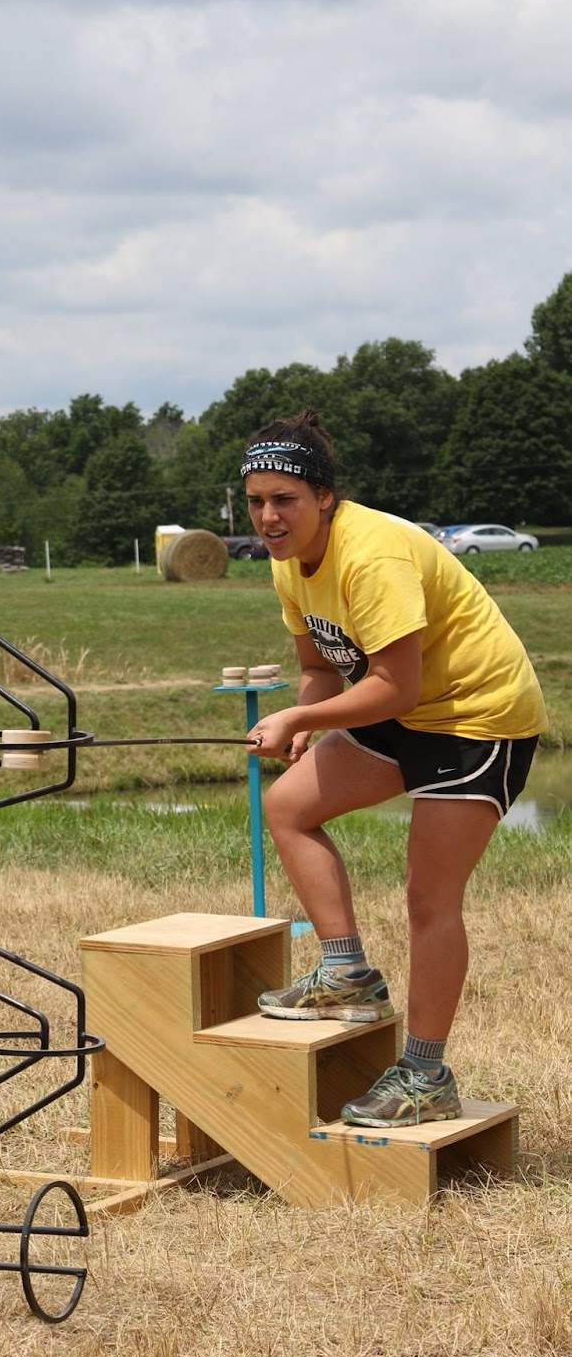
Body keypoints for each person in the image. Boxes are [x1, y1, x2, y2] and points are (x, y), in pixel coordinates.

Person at [243, 409, 546, 1128]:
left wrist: (301, 719)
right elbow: (320, 666)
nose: (268, 516)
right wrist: (301, 726)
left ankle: (425, 1073)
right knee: (288, 807)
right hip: (404, 709)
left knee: (428, 898)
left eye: (283, 499)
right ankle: (346, 970)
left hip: (479, 717)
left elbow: (396, 686)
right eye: (256, 500)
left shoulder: (371, 553)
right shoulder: (289, 561)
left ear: (324, 496)